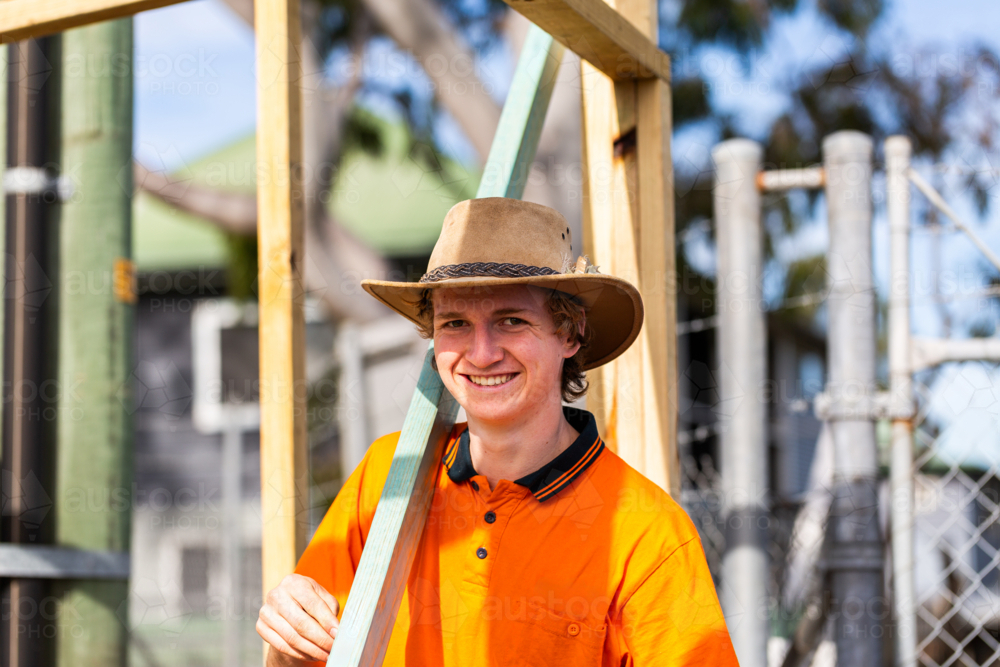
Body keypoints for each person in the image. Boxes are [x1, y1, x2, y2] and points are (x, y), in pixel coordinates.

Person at [256, 198, 739, 666]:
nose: (482, 353)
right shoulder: (386, 476)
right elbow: (304, 658)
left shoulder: (646, 532)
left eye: (511, 321)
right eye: (456, 323)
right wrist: (287, 644)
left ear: (570, 334)